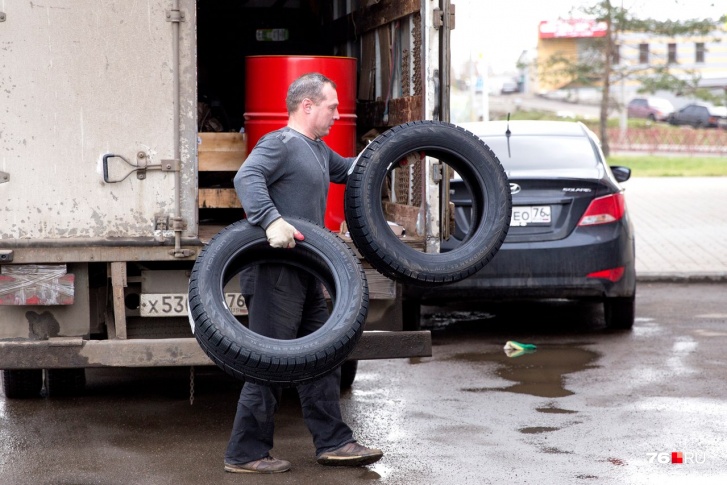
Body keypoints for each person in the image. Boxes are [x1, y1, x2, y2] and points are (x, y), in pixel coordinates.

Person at [225, 72, 383, 474]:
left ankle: (334, 442)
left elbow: (351, 171)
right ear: (307, 106)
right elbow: (246, 177)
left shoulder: (317, 149)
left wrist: (395, 152)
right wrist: (270, 220)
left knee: (321, 357)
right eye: (332, 107)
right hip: (275, 272)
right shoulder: (280, 143)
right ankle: (245, 453)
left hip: (308, 269)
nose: (337, 114)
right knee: (269, 362)